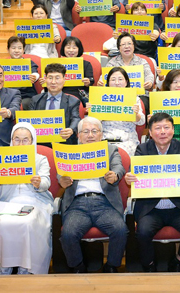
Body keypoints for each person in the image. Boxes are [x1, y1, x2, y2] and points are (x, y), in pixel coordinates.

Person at [0, 123, 54, 275]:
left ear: (32, 141)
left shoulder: (40, 159)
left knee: (28, 223)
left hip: (35, 201)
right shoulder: (4, 158)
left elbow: (46, 182)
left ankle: (26, 269)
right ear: (11, 140)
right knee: (3, 224)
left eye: (25, 140)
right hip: (9, 203)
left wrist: (38, 183)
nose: (21, 143)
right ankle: (6, 267)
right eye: (17, 139)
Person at [125, 112, 180, 272]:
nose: (162, 132)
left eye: (166, 127)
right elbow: (134, 172)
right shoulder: (142, 149)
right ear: (150, 133)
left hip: (178, 208)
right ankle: (149, 264)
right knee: (143, 232)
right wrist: (130, 177)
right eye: (157, 128)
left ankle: (178, 260)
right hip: (151, 209)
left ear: (173, 130)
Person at [58, 116, 129, 273]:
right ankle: (78, 266)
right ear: (78, 135)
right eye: (86, 131)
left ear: (101, 134)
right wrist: (62, 180)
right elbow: (60, 173)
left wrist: (115, 175)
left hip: (105, 203)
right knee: (68, 234)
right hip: (77, 204)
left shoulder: (110, 150)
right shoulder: (70, 151)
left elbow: (119, 167)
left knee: (120, 230)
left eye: (94, 131)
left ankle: (111, 265)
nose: (90, 135)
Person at [27, 63, 79, 144]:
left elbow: (76, 118)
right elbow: (30, 121)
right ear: (45, 79)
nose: (53, 82)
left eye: (57, 78)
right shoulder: (36, 99)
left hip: (64, 142)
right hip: (41, 143)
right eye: (50, 78)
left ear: (64, 80)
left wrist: (71, 129)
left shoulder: (73, 101)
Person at [101, 67, 146, 154]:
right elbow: (94, 123)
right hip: (105, 140)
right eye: (113, 80)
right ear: (108, 83)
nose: (117, 83)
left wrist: (136, 114)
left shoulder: (133, 98)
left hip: (127, 140)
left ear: (126, 82)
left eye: (120, 79)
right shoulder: (101, 98)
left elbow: (141, 122)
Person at [6, 36, 41, 110]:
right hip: (9, 95)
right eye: (13, 48)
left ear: (23, 50)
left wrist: (34, 76)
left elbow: (35, 72)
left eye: (19, 48)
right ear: (8, 50)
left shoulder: (28, 62)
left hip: (26, 95)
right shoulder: (3, 65)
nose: (16, 51)